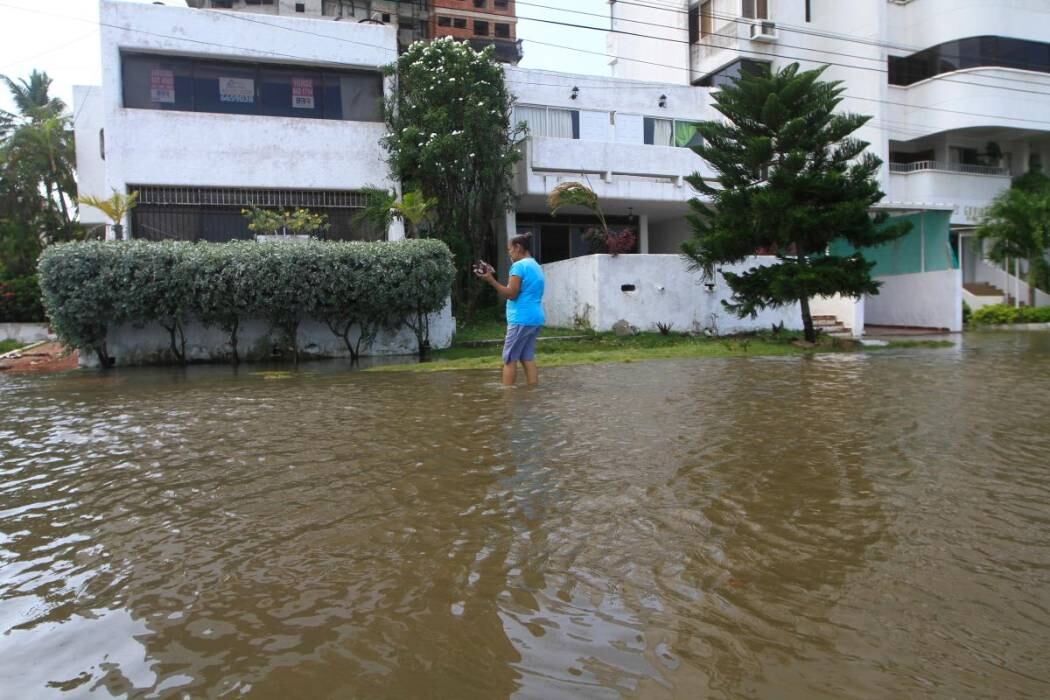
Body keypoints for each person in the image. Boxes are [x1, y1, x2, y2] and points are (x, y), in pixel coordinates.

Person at [475, 233, 545, 386]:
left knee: (509, 358)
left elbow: (512, 294)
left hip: (521, 318)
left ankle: (508, 397)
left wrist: (491, 280)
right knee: (527, 357)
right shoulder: (535, 265)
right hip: (535, 318)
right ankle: (532, 392)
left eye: (509, 250)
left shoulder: (519, 266)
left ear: (518, 248)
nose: (509, 254)